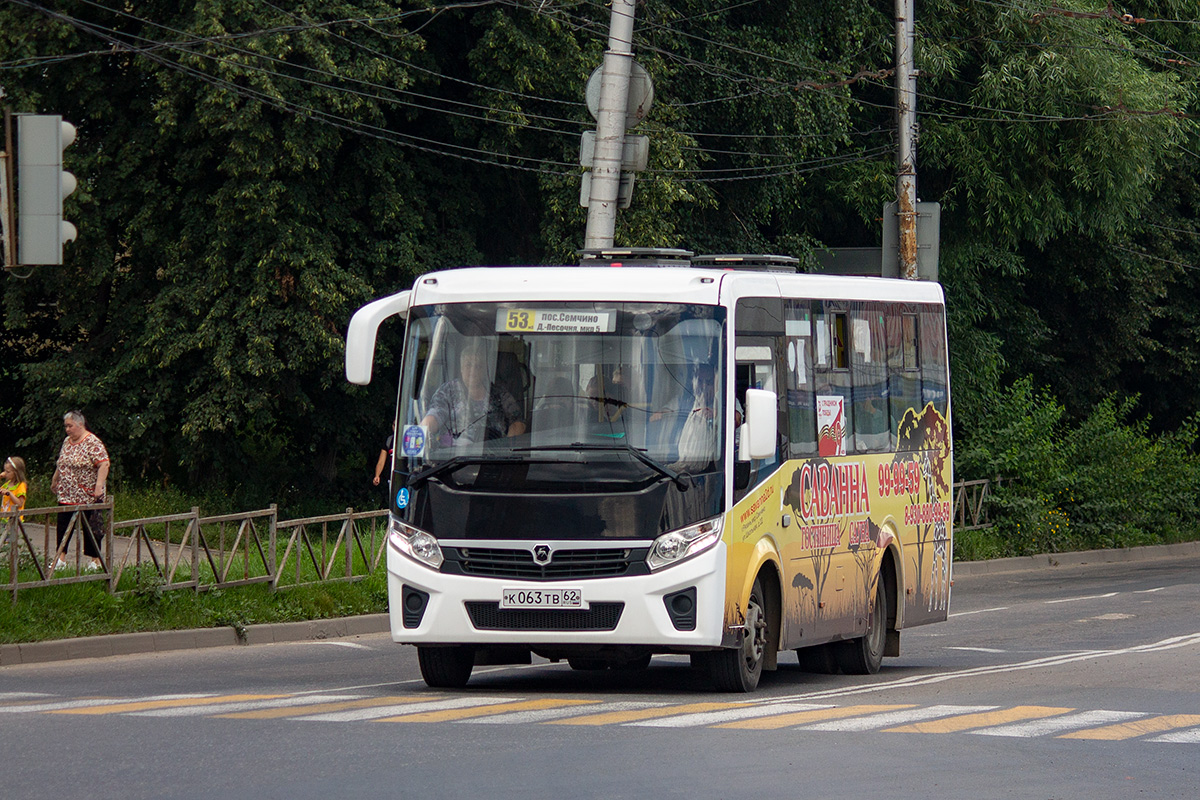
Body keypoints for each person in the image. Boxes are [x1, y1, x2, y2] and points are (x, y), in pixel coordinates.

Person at [420, 344, 526, 445]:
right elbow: (434, 415)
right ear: (461, 368)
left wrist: (506, 448)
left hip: (492, 457)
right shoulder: (448, 392)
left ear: (485, 370)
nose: (473, 370)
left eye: (478, 366)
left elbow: (518, 422)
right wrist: (420, 434)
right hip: (453, 459)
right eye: (468, 365)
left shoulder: (499, 394)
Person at [49, 411, 109, 572]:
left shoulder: (92, 442)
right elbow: (61, 462)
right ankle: (60, 558)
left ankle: (95, 560)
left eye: (70, 426)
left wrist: (98, 486)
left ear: (80, 424)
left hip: (87, 495)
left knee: (90, 527)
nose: (67, 429)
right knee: (63, 525)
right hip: (67, 493)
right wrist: (55, 479)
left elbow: (104, 464)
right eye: (66, 426)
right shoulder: (67, 442)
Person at [675, 364, 722, 465]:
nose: (704, 386)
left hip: (712, 467)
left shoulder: (724, 401)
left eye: (708, 382)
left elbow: (736, 418)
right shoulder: (689, 400)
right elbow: (662, 412)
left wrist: (718, 415)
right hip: (684, 464)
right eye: (700, 382)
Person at [0, 456, 27, 520]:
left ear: (16, 473)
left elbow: (20, 503)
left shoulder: (21, 485)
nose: (5, 474)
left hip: (14, 519)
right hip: (4, 518)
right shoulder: (7, 484)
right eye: (5, 471)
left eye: (8, 472)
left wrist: (9, 493)